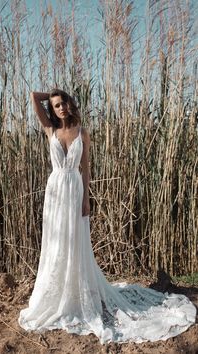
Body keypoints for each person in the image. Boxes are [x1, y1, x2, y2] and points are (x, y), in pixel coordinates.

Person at [18, 88, 196, 344]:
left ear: (70, 104)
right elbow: (35, 97)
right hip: (55, 192)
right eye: (56, 105)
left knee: (75, 240)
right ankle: (58, 293)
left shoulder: (82, 132)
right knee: (57, 242)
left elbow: (86, 168)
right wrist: (52, 94)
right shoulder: (50, 130)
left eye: (64, 103)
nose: (61, 108)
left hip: (75, 188)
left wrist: (86, 198)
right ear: (52, 110)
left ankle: (77, 289)